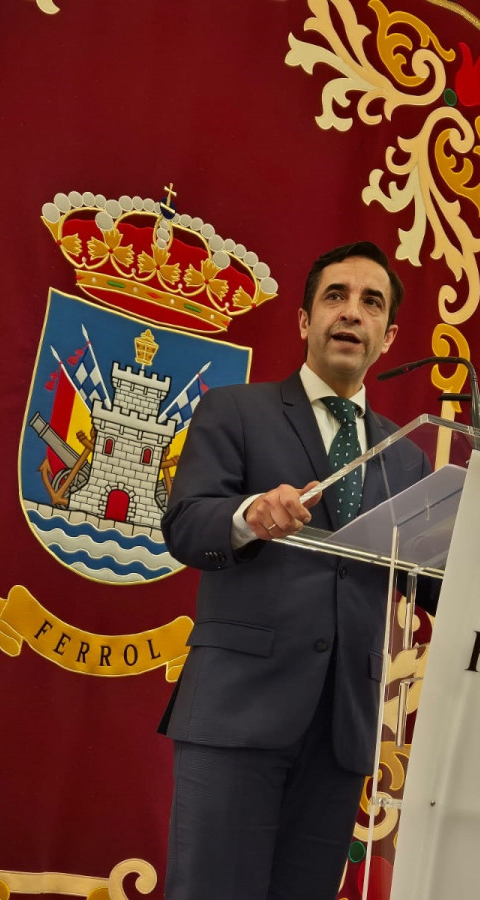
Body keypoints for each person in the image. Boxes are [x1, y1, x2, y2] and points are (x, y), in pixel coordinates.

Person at [159, 241, 435, 900]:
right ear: (304, 321)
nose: (351, 313)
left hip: (340, 729)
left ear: (389, 335)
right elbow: (186, 525)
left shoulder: (406, 459)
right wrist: (251, 514)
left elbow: (437, 583)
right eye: (335, 297)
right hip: (238, 712)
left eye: (371, 303)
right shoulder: (235, 411)